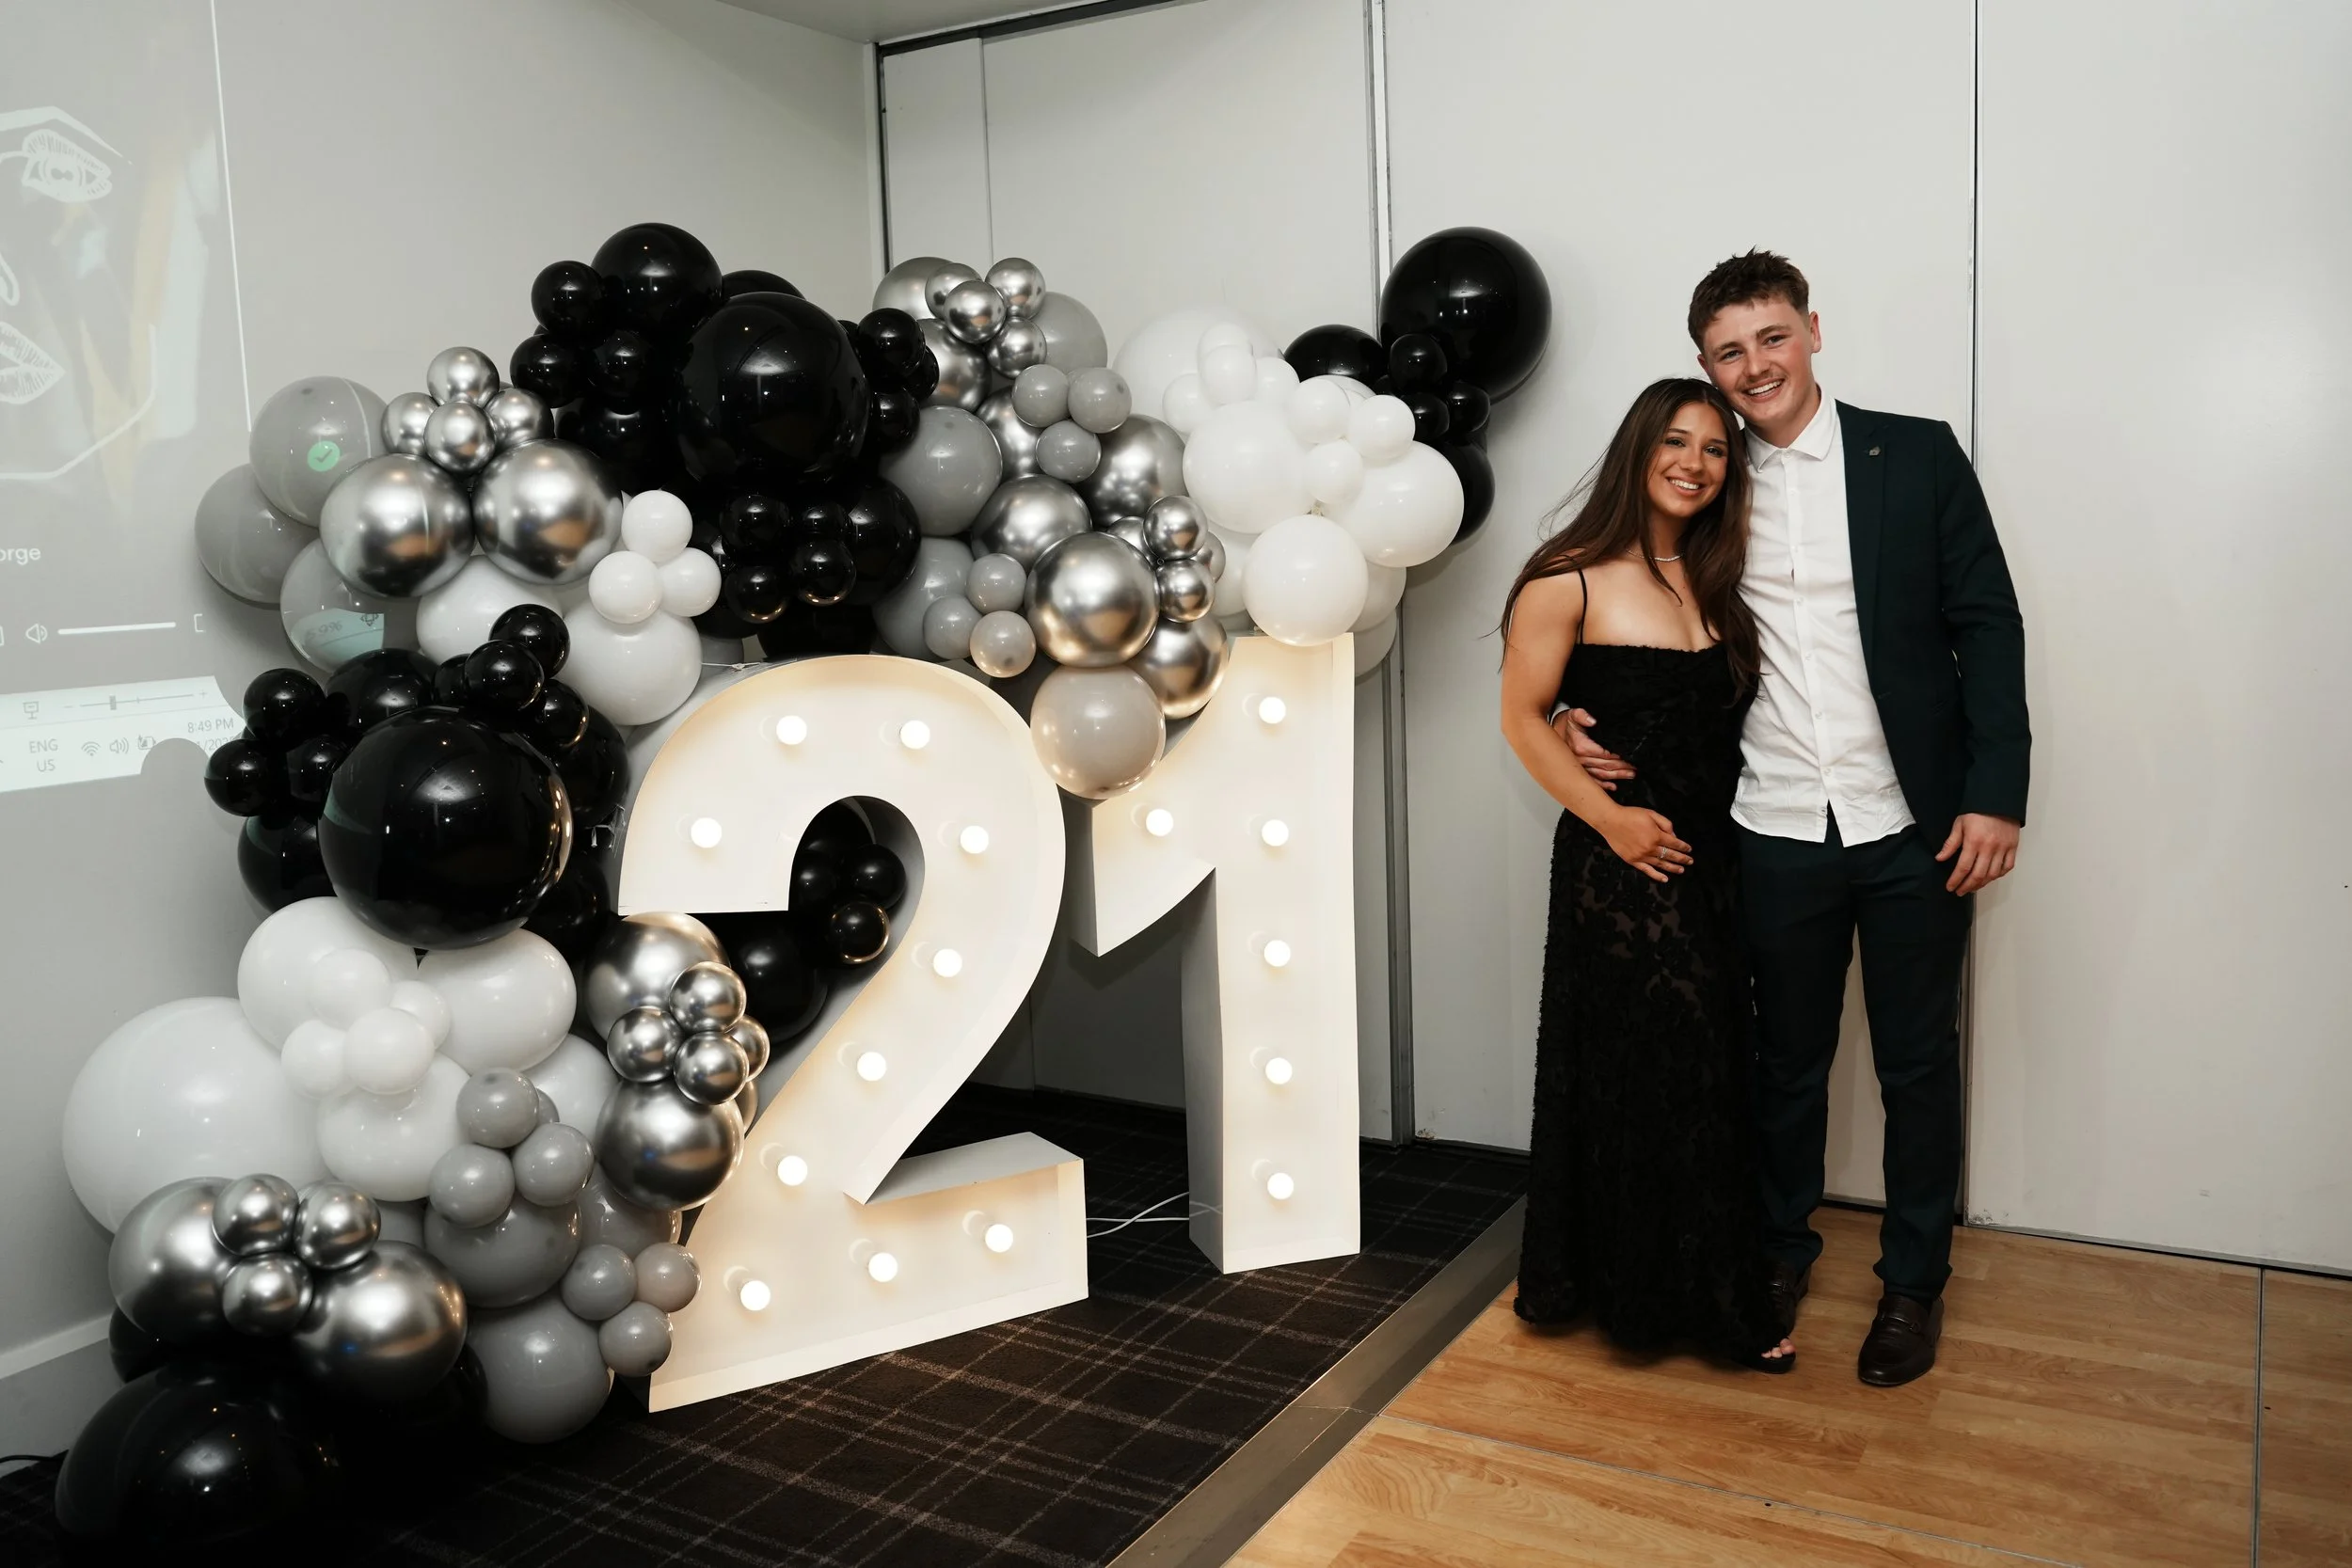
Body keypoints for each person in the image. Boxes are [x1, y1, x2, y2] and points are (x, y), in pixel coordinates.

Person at [1561, 251, 2029, 1386]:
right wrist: (1577, 701)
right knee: (1783, 1064)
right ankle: (1775, 1255)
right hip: (1769, 825)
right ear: (1706, 366)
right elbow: (1626, 600)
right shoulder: (1704, 481)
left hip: (1914, 825)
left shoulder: (1912, 453)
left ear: (1812, 332)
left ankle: (1912, 1283)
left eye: (1770, 337)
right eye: (1728, 350)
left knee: (1919, 1067)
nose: (1753, 365)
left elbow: (1989, 622)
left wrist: (1993, 791)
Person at [1500, 376, 1793, 1372]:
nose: (1694, 463)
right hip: (1615, 869)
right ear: (1637, 448)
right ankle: (1669, 1301)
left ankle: (1688, 1285)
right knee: (1639, 1078)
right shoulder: (1567, 575)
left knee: (1705, 1071)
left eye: (1715, 449)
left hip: (1716, 859)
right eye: (1676, 441)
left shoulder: (1719, 577)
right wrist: (1612, 819)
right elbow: (1520, 718)